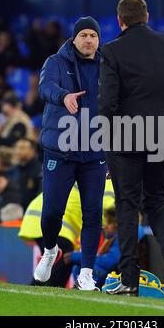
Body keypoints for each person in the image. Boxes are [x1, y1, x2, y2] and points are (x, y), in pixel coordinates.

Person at [98, 0, 164, 297]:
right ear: (147, 16)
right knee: (157, 200)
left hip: (127, 137)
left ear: (120, 20)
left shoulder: (111, 52)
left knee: (127, 203)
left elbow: (108, 105)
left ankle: (129, 278)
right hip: (163, 135)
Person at [34, 16, 107, 291]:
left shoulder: (107, 66)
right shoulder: (55, 62)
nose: (89, 40)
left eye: (93, 35)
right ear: (74, 38)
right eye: (84, 35)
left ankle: (86, 272)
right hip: (60, 150)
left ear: (98, 40)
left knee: (93, 214)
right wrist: (64, 96)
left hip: (94, 151)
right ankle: (51, 250)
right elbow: (44, 87)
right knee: (52, 212)